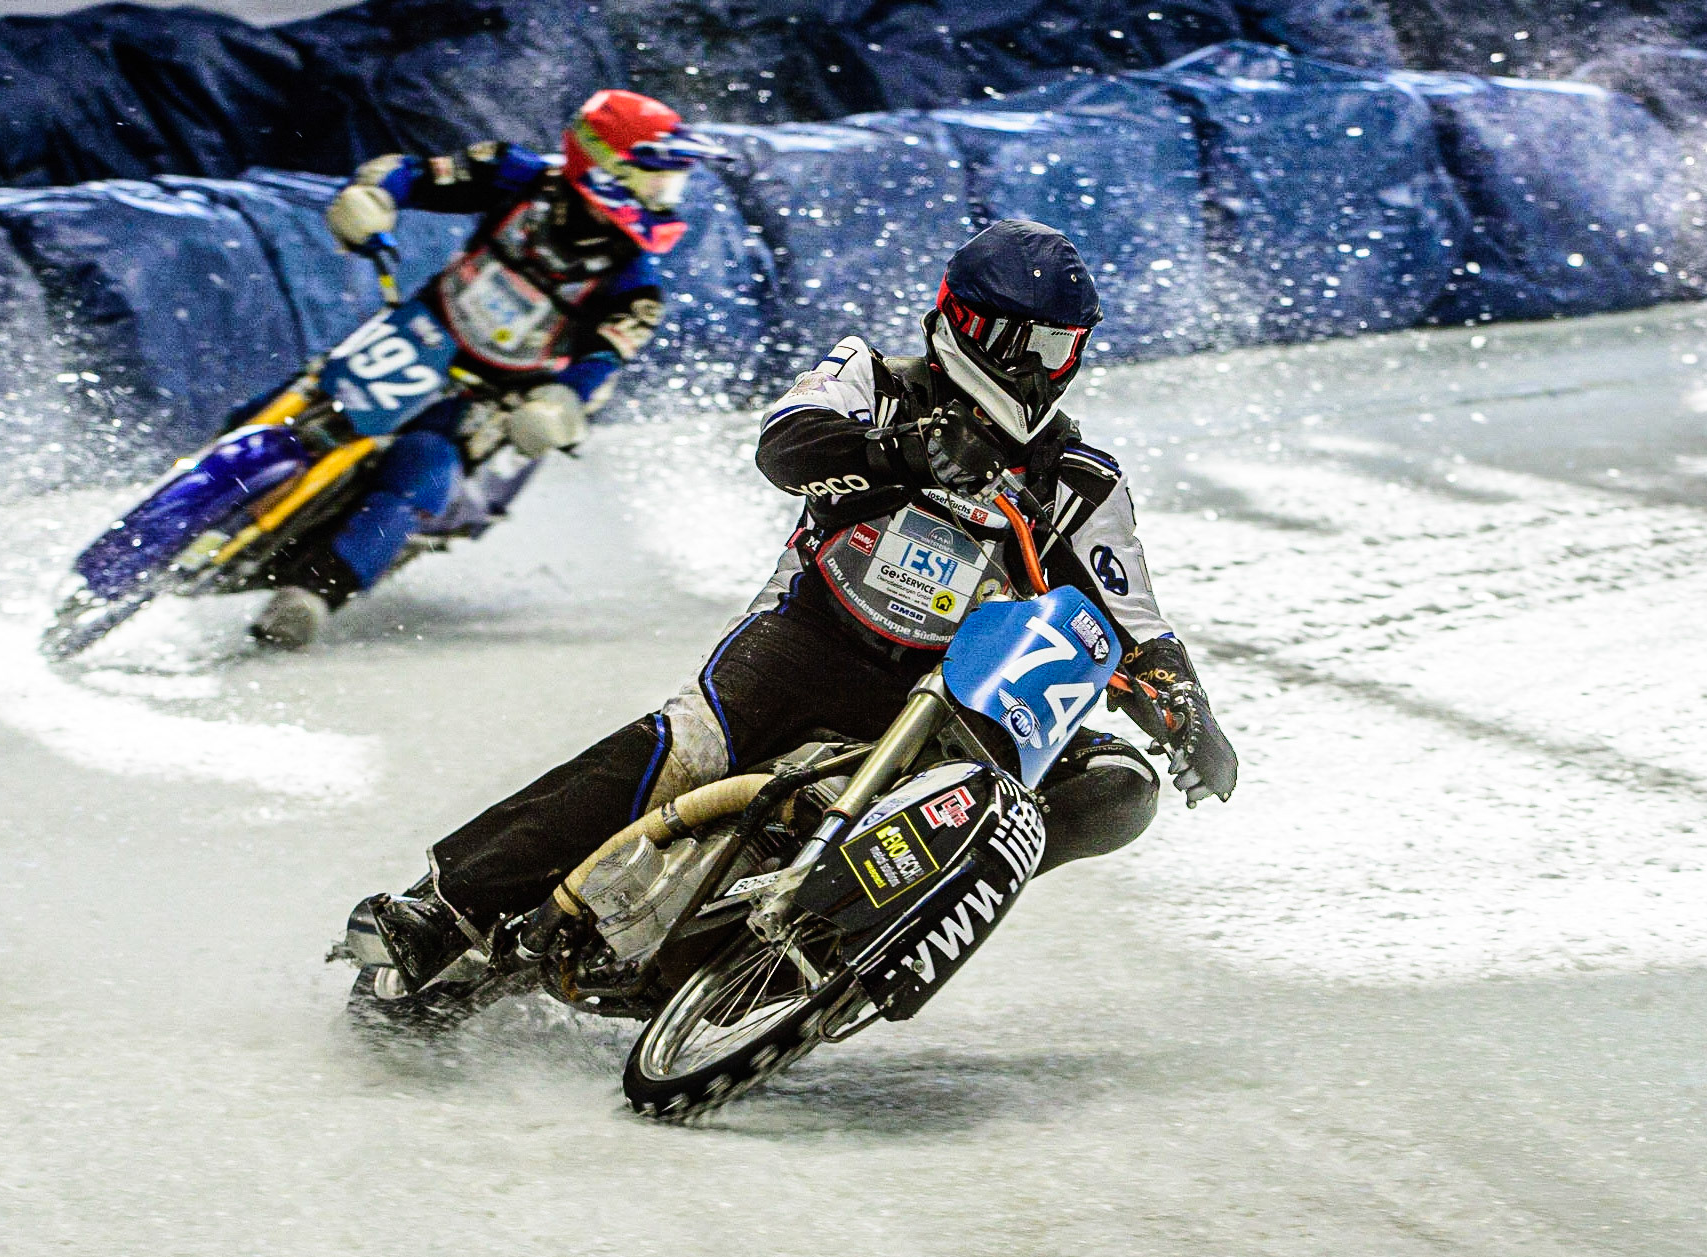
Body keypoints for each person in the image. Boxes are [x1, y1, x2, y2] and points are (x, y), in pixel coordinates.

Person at [346, 219, 1240, 997]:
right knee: (687, 748)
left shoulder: (1082, 480)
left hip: (965, 698)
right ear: (969, 323)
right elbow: (785, 446)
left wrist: (1184, 709)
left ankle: (885, 915)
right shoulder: (870, 377)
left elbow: (1137, 623)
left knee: (1120, 788)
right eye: (1030, 347)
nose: (1046, 373)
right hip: (809, 637)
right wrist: (909, 452)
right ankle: (444, 903)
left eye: (1062, 351)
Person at [251, 89, 729, 648]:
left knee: (424, 463)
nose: (664, 198)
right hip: (418, 335)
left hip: (499, 397)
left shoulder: (636, 287)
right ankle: (200, 478)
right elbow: (412, 174)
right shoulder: (516, 175)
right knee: (304, 391)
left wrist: (562, 403)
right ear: (605, 167)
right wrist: (371, 197)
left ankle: (311, 595)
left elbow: (604, 359)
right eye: (655, 180)